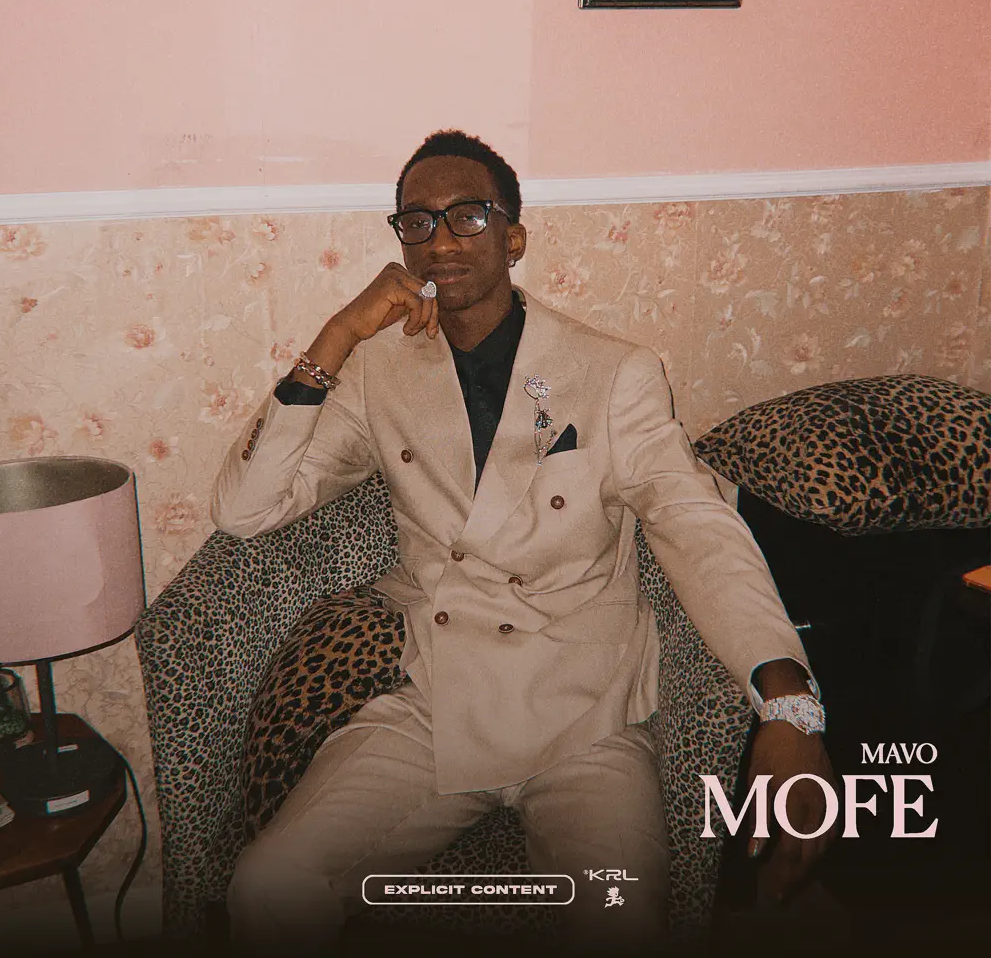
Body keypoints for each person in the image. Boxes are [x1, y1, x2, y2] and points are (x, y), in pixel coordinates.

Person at [213, 130, 835, 955]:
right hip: (437, 701)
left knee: (622, 920)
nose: (441, 240)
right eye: (418, 221)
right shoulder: (377, 372)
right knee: (268, 887)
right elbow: (245, 510)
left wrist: (788, 702)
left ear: (514, 239)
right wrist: (336, 336)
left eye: (468, 216)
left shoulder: (612, 371)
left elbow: (697, 525)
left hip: (589, 717)